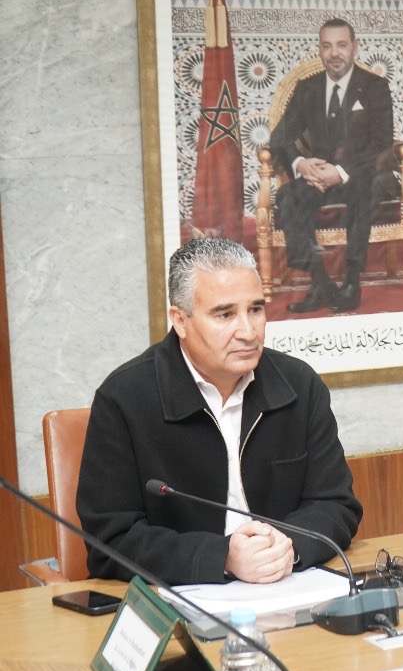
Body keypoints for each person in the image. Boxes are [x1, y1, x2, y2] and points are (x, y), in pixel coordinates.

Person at [77, 237, 362, 585]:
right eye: (225, 314)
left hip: (288, 584)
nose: (248, 331)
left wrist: (288, 547)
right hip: (185, 595)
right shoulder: (125, 398)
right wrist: (222, 557)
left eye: (255, 310)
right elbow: (111, 540)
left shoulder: (298, 385)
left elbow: (335, 504)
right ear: (180, 321)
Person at [270, 18, 394, 314]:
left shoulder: (375, 86)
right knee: (288, 196)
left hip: (363, 175)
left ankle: (352, 280)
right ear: (320, 50)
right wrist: (301, 164)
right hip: (319, 177)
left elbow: (382, 144)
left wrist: (341, 172)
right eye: (327, 46)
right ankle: (320, 282)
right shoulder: (307, 88)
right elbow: (279, 138)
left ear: (355, 47)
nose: (334, 53)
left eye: (341, 45)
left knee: (364, 190)